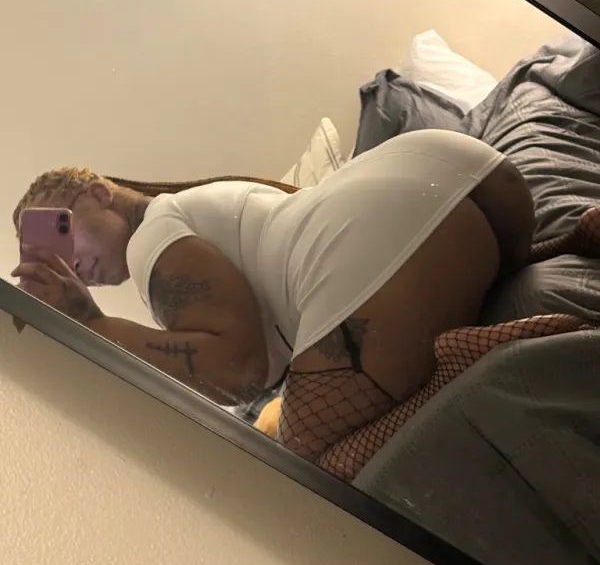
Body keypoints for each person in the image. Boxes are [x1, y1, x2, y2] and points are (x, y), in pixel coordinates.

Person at [12, 130, 599, 481]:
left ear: (98, 193)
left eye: (57, 235)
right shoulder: (200, 203)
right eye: (44, 259)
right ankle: (566, 244)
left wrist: (91, 321)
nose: (66, 266)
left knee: (306, 456)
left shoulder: (150, 240)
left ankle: (461, 359)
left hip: (389, 240)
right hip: (476, 182)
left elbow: (241, 370)